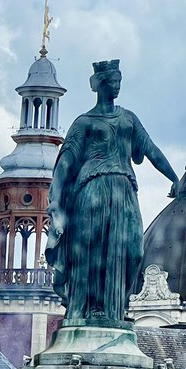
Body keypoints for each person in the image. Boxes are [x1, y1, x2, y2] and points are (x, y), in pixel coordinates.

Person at [46, 59, 184, 328]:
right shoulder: (84, 123)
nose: (116, 87)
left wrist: (175, 178)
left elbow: (151, 150)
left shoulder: (128, 119)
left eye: (119, 82)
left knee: (132, 251)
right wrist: (56, 200)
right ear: (98, 85)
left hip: (124, 193)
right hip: (93, 191)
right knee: (93, 253)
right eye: (111, 82)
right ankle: (91, 311)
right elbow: (65, 163)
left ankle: (115, 308)